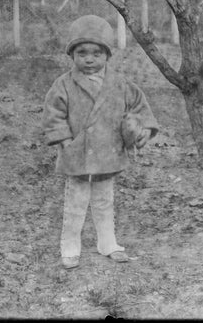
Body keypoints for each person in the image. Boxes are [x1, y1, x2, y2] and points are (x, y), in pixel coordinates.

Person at [43, 15, 158, 269]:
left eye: (97, 53)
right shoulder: (63, 84)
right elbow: (54, 114)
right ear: (72, 55)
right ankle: (70, 246)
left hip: (108, 152)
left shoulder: (120, 83)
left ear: (107, 55)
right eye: (82, 52)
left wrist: (141, 129)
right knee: (76, 203)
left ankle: (108, 243)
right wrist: (64, 141)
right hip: (78, 154)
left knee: (105, 202)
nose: (89, 59)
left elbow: (139, 106)